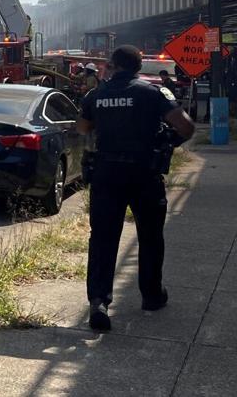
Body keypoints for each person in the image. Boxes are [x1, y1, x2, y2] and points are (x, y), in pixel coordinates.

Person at [77, 45, 195, 332]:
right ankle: (152, 296)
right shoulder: (153, 93)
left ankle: (99, 302)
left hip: (106, 175)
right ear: (138, 66)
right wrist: (166, 142)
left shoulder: (96, 95)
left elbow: (82, 129)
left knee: (103, 238)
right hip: (144, 174)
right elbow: (186, 127)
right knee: (151, 236)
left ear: (113, 65)